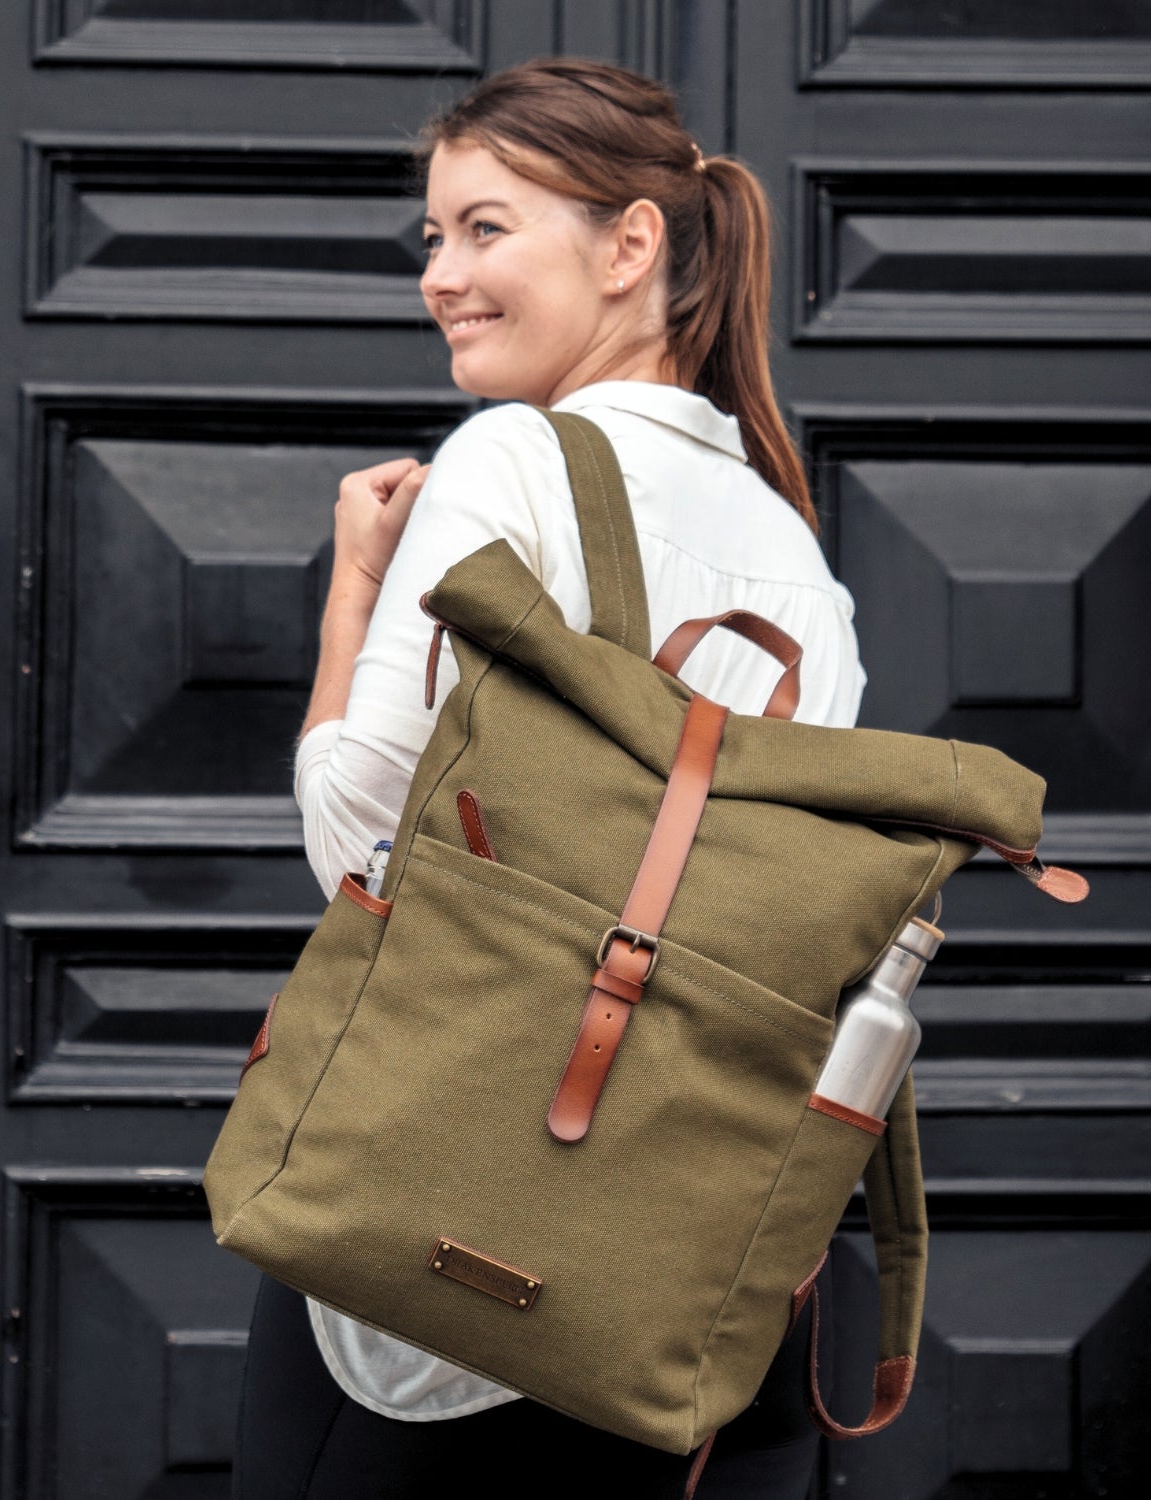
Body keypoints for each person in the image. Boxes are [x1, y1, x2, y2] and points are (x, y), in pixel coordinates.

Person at [233, 57, 865, 1500]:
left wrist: (353, 595)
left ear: (630, 245)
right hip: (674, 1249)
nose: (439, 276)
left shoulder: (511, 459)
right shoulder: (792, 548)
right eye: (433, 237)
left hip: (440, 1218)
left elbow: (362, 846)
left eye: (485, 228)